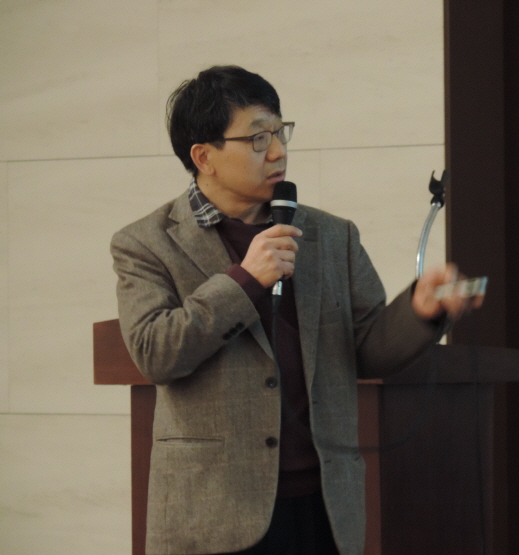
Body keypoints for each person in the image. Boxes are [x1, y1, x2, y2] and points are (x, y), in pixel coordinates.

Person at [111, 65, 483, 555]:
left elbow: (367, 350)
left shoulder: (331, 235)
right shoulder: (147, 243)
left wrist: (420, 311)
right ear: (204, 157)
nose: (278, 151)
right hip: (215, 511)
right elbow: (155, 353)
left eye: (280, 132)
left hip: (323, 506)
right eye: (257, 138)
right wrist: (245, 280)